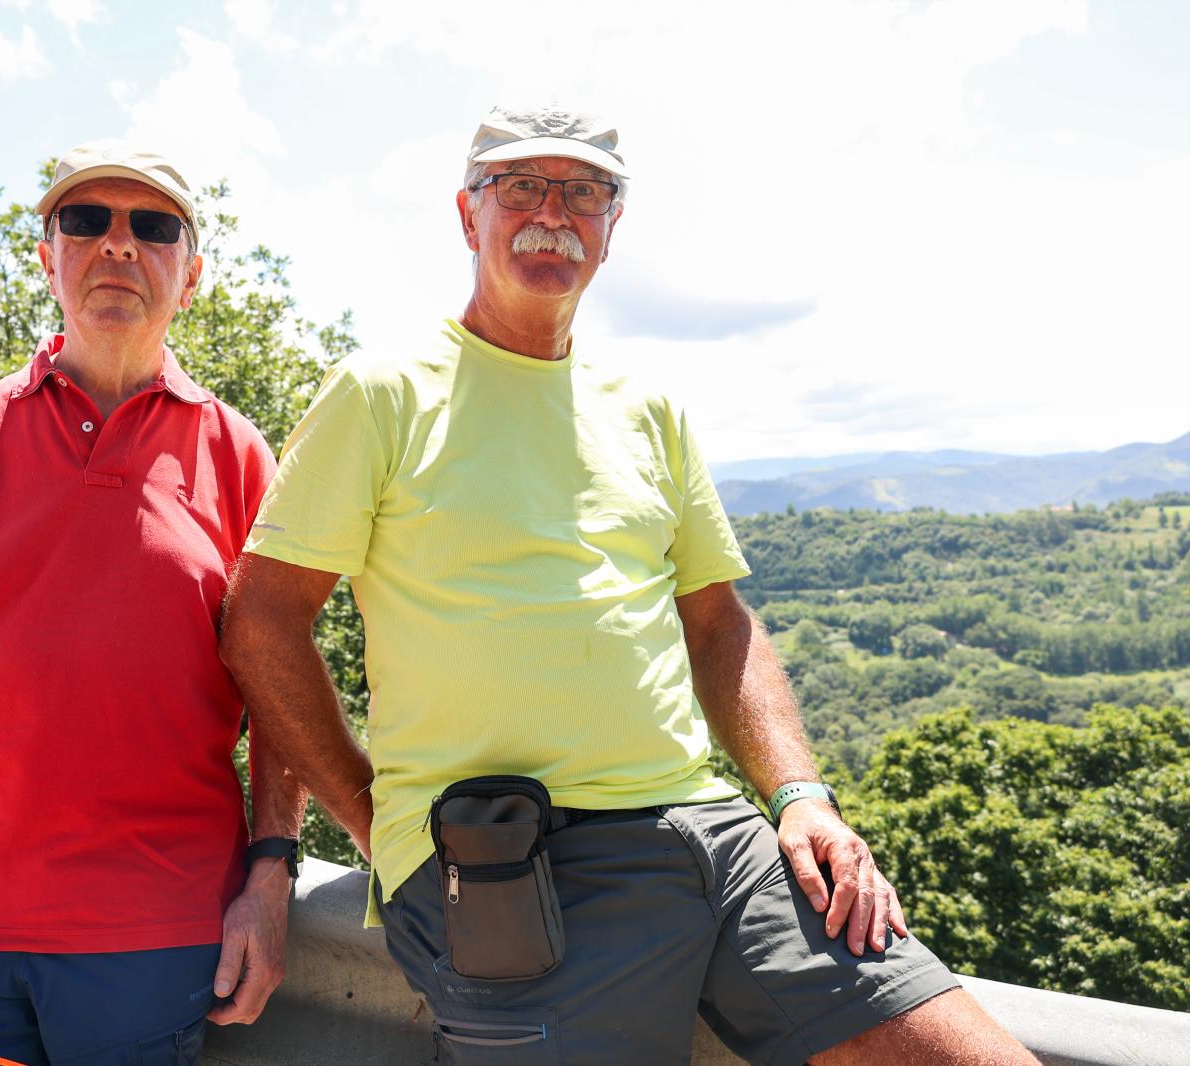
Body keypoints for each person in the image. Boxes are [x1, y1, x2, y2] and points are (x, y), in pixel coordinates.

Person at [218, 105, 1039, 1065]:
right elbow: (261, 622)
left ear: (613, 226)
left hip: (712, 835)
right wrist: (376, 820)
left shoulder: (650, 409)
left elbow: (720, 626)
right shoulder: (382, 394)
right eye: (521, 186)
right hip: (504, 857)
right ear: (468, 214)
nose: (553, 213)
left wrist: (800, 796)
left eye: (585, 192)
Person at [0, 142, 303, 1066]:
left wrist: (272, 873)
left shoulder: (243, 458)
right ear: (48, 258)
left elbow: (282, 700)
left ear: (191, 276)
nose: (118, 245)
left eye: (152, 227)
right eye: (86, 222)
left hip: (153, 940)